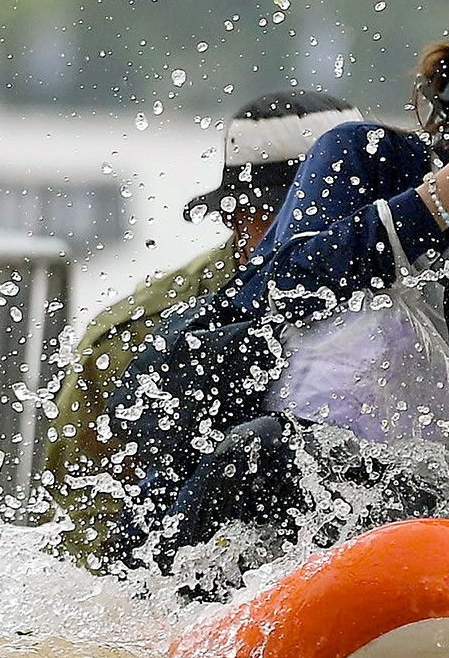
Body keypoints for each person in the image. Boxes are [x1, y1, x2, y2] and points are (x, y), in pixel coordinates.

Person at [110, 12, 449, 589]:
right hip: (262, 469)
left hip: (410, 507)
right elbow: (286, 286)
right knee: (264, 452)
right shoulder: (366, 155)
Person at [35, 90, 361, 567]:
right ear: (237, 216)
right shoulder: (135, 337)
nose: (335, 234)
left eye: (351, 210)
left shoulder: (431, 301)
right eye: (309, 214)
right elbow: (83, 526)